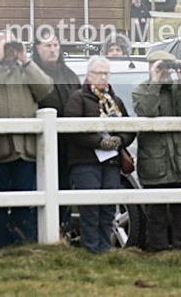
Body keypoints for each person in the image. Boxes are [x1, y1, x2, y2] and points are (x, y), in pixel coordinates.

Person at [0, 30, 53, 254]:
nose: (9, 50)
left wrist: (26, 59)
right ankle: (0, 250)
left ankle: (24, 249)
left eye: (12, 45)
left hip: (25, 150)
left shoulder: (26, 71)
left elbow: (45, 89)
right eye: (3, 46)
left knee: (25, 203)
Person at [63, 56, 134, 254]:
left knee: (108, 208)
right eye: (98, 73)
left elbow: (130, 128)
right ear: (89, 75)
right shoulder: (78, 99)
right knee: (90, 208)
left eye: (106, 73)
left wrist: (120, 140)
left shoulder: (115, 101)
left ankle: (105, 249)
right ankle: (91, 250)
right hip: (85, 161)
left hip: (111, 161)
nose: (103, 77)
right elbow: (72, 131)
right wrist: (98, 142)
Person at [132, 50, 181, 251]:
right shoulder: (141, 90)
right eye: (161, 66)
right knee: (156, 214)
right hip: (155, 160)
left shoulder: (179, 88)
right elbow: (148, 112)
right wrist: (155, 81)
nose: (165, 71)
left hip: (180, 160)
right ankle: (157, 251)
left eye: (168, 67)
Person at [30, 29, 80, 231]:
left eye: (56, 45)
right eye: (48, 46)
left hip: (68, 148)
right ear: (37, 49)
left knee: (64, 192)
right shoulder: (31, 74)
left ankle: (63, 233)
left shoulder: (69, 75)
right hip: (39, 148)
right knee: (39, 192)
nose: (53, 50)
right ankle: (38, 235)